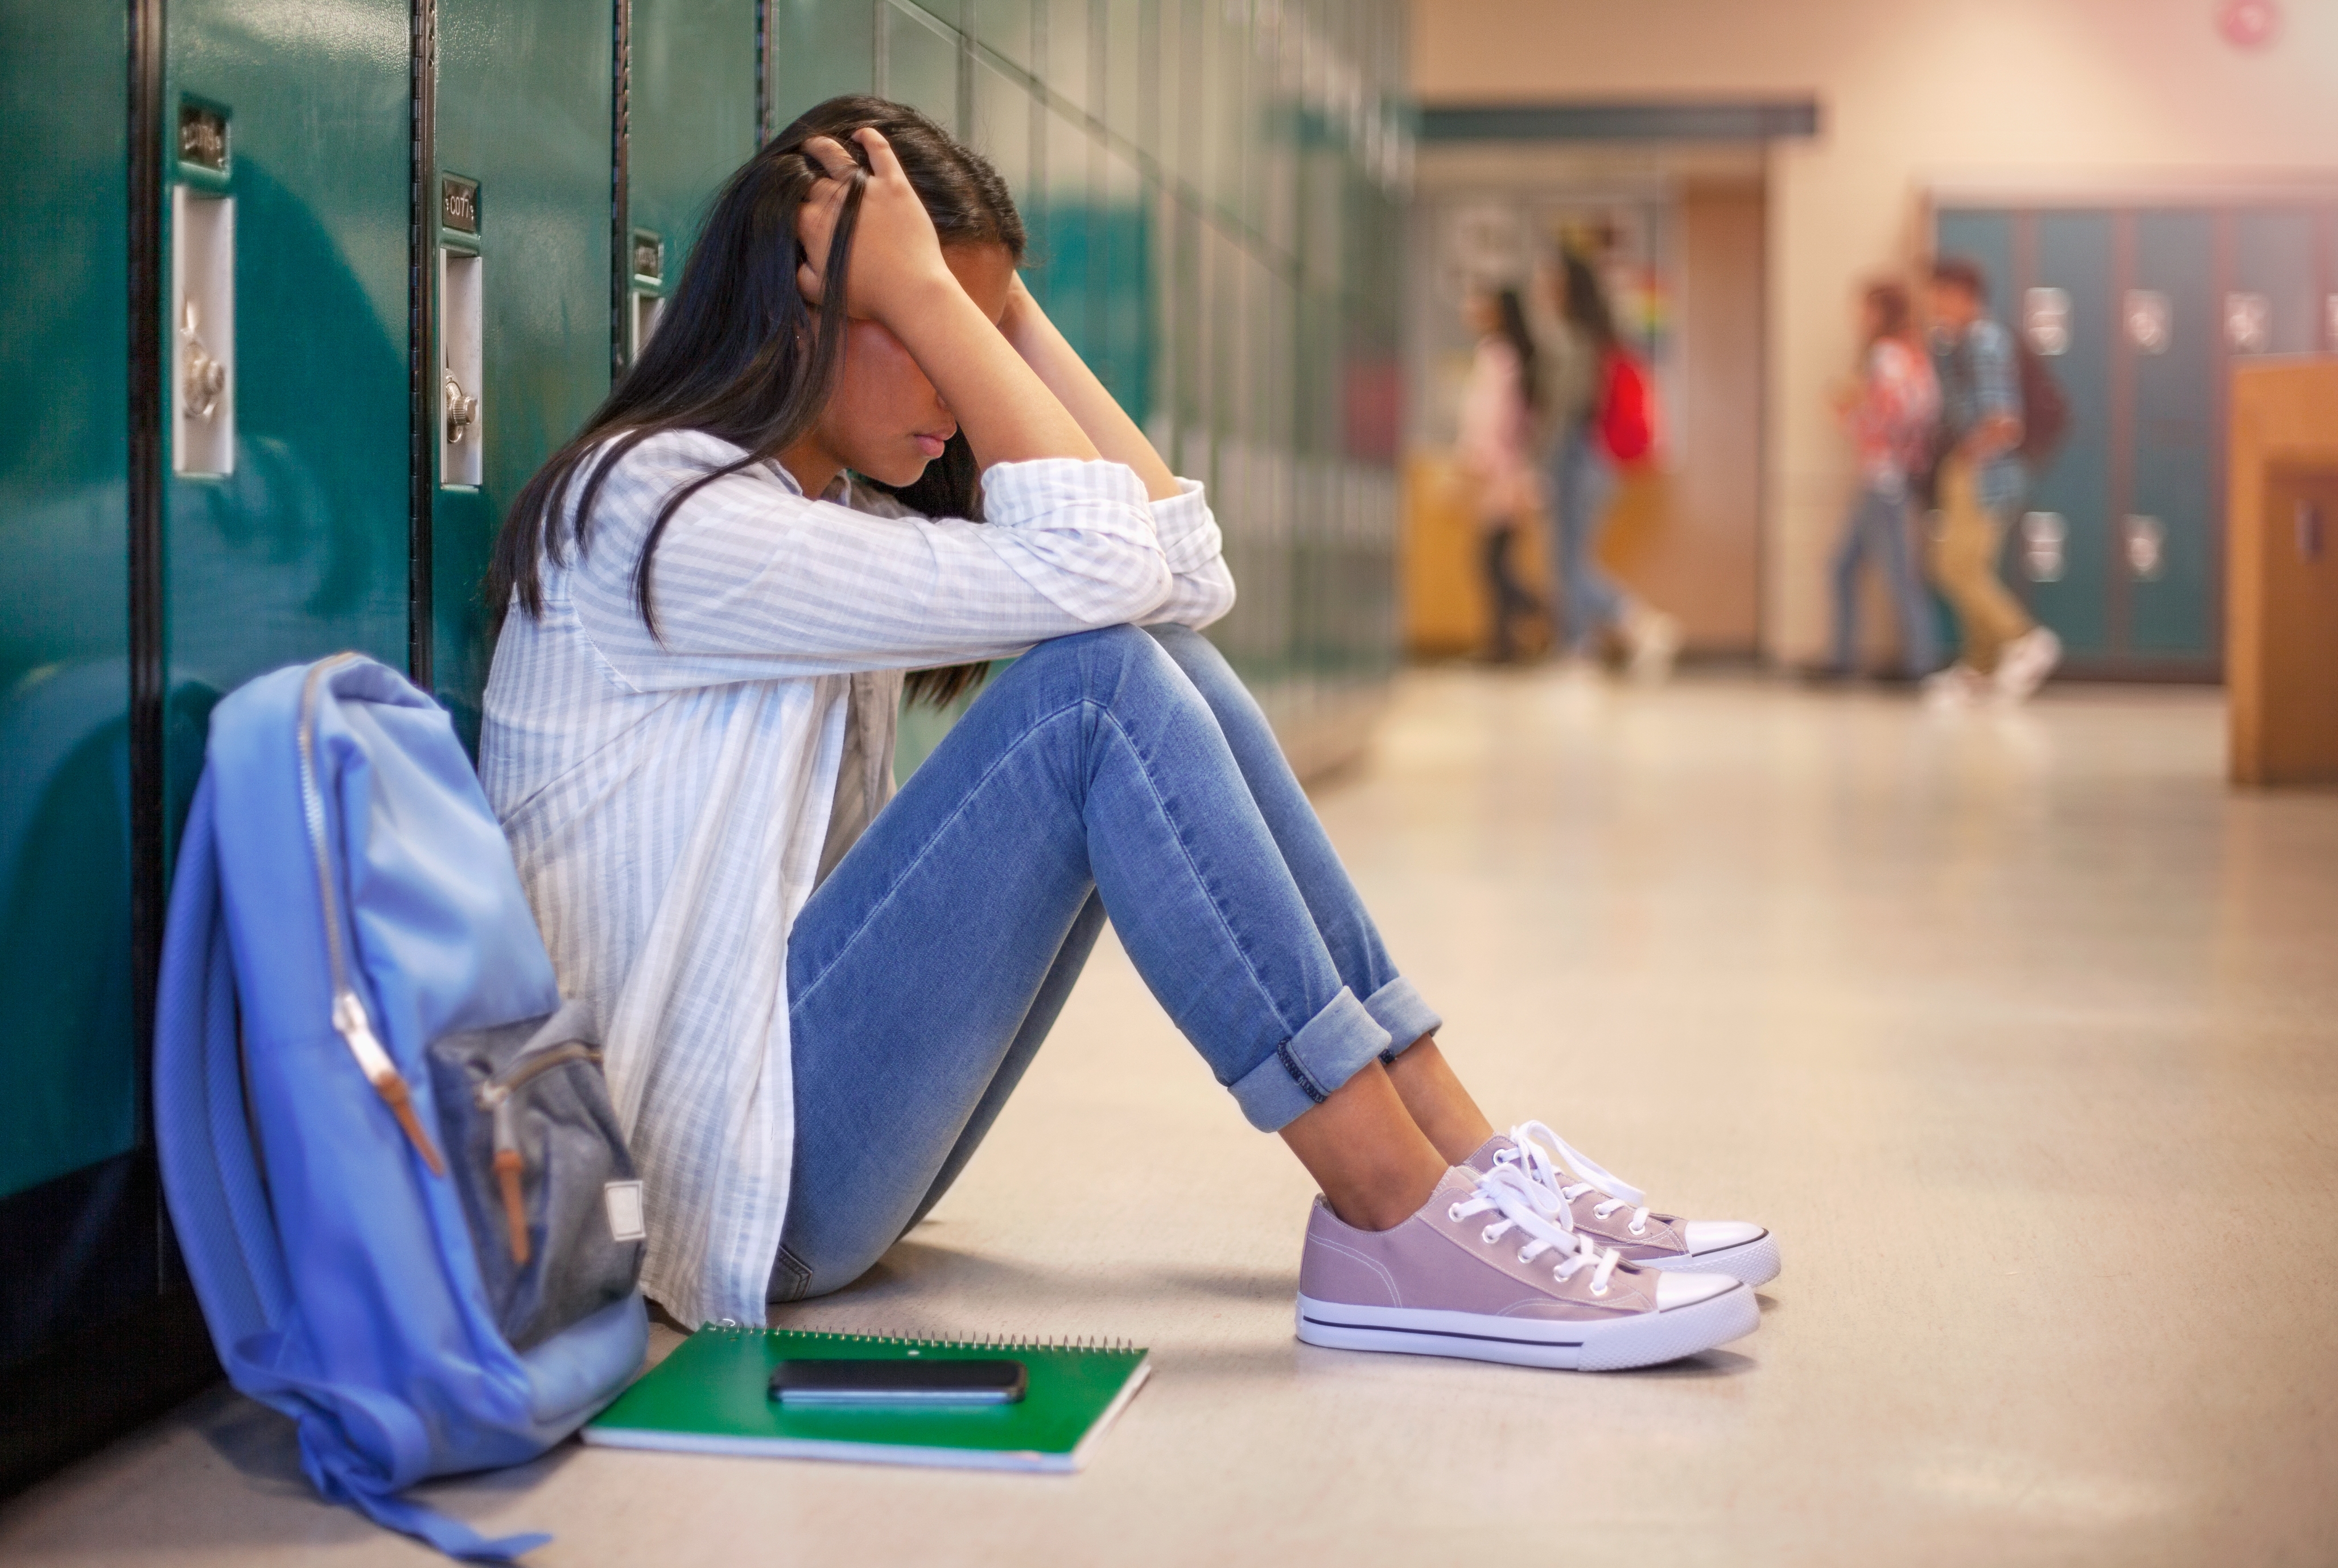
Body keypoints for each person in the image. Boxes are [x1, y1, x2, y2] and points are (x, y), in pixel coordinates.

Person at [477, 97, 1778, 1372]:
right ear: (810, 305)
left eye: (980, 335)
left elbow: (1179, 572)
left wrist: (976, 300)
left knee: (1155, 660)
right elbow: (1104, 573)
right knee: (1096, 690)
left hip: (784, 1141)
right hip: (707, 1191)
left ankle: (1451, 1156)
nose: (959, 384)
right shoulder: (657, 516)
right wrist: (938, 298)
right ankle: (1389, 1207)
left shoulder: (824, 520)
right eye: (929, 333)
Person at [1923, 257, 2061, 704]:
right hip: (1969, 469)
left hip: (1983, 472)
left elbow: (2005, 423)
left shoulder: (1986, 343)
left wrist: (1967, 455)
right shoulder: (1956, 344)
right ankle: (1979, 668)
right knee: (1966, 570)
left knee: (1955, 568)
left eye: (1940, 296)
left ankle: (2023, 638)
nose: (1933, 306)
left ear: (1963, 296)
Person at [1546, 252, 1680, 679]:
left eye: (1552, 282)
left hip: (1578, 457)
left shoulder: (1575, 340)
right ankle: (1578, 646)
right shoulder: (1604, 339)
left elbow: (1566, 410)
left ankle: (1637, 622)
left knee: (1570, 563)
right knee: (1571, 559)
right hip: (1600, 462)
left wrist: (1535, 462)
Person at [1827, 280, 1941, 682]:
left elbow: (1892, 414)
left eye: (1864, 310)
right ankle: (1843, 661)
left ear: (1880, 314)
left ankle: (1920, 664)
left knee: (1897, 573)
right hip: (1891, 475)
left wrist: (1846, 414)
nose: (1858, 319)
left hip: (1884, 476)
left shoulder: (1885, 356)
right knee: (1842, 567)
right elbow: (1924, 409)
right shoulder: (1913, 354)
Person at [1455, 287, 1549, 662]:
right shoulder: (1517, 358)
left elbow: (1489, 417)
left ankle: (1533, 614)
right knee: (1496, 561)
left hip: (1497, 474)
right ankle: (1505, 642)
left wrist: (1476, 460)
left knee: (1491, 563)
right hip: (1509, 470)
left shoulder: (1497, 356)